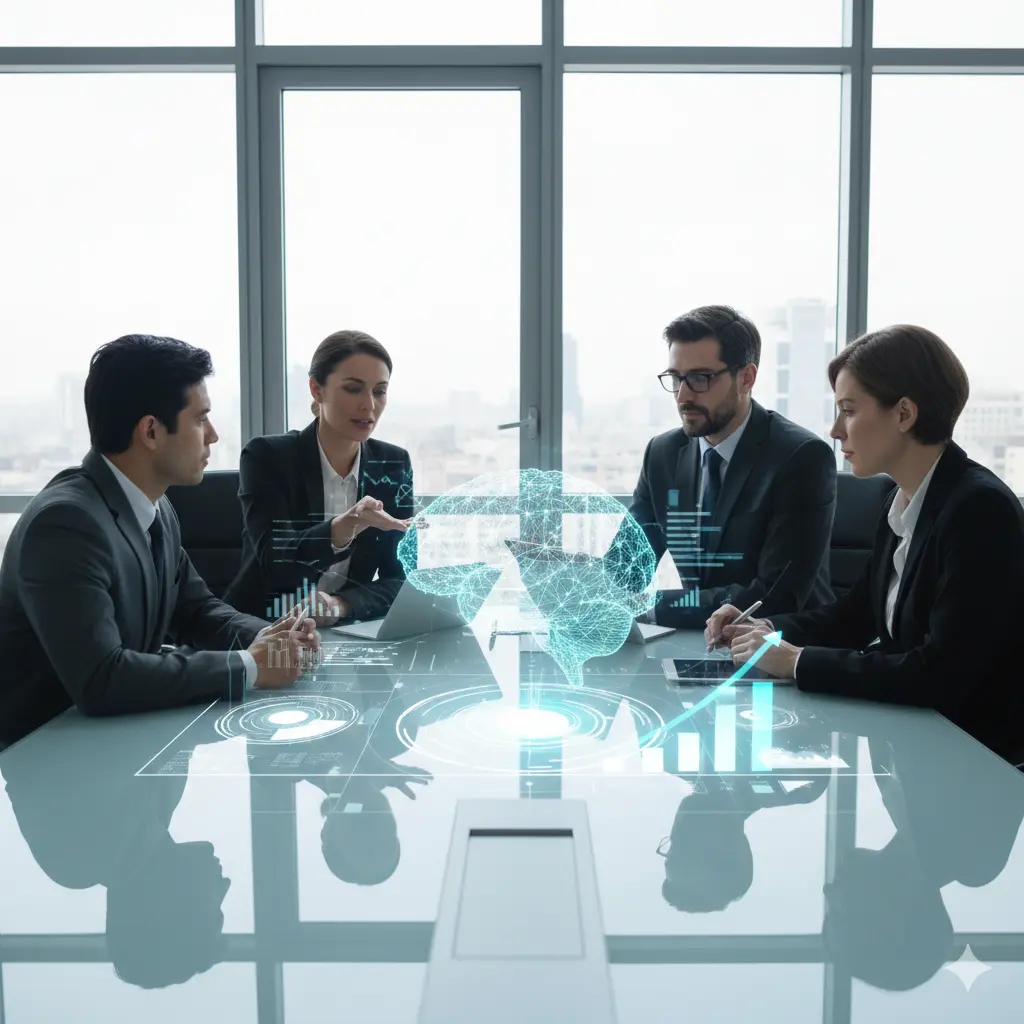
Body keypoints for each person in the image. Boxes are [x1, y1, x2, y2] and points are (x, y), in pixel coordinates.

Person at [710, 324, 1024, 760]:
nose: (835, 430)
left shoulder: (979, 511)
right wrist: (767, 632)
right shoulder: (902, 498)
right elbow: (857, 614)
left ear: (904, 414)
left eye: (849, 410)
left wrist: (796, 661)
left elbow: (942, 672)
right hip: (913, 742)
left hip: (970, 759)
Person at [0, 334, 319, 749]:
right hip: (52, 759)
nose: (214, 436)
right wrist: (249, 666)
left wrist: (274, 637)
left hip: (125, 744)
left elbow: (196, 610)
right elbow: (102, 678)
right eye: (201, 419)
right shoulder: (65, 524)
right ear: (151, 430)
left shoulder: (156, 506)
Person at [610, 305, 836, 630]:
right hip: (696, 642)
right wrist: (575, 583)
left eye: (700, 378)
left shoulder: (801, 458)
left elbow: (772, 594)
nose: (682, 396)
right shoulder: (662, 454)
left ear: (746, 377)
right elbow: (626, 567)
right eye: (676, 378)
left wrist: (653, 606)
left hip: (777, 650)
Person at [224, 330, 415, 625]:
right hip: (260, 630)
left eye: (379, 391)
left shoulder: (393, 464)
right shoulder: (268, 456)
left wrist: (341, 605)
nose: (369, 405)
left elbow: (400, 580)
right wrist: (347, 525)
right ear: (316, 389)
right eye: (353, 389)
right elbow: (277, 562)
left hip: (343, 632)